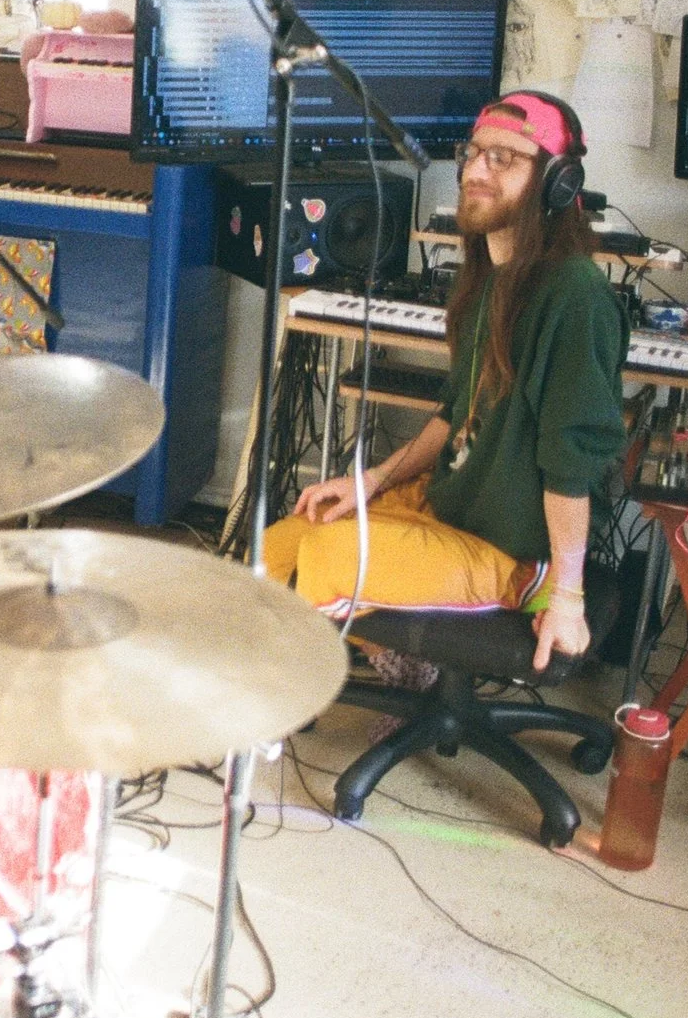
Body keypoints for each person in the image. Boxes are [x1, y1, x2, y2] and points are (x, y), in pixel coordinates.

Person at [262, 91, 627, 675]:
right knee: (282, 544)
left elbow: (572, 461)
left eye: (504, 159)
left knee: (326, 558)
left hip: (514, 553)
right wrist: (370, 481)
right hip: (451, 509)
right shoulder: (490, 277)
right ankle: (406, 666)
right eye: (474, 153)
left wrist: (569, 596)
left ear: (558, 183)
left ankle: (396, 668)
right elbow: (452, 414)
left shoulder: (574, 297)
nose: (476, 171)